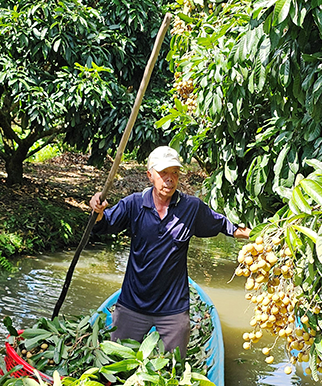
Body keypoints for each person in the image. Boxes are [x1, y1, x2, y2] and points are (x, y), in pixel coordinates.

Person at [89, 146, 250, 356]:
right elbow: (103, 225)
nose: (169, 179)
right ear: (150, 175)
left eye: (174, 172)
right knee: (116, 364)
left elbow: (224, 225)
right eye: (163, 173)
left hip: (173, 309)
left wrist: (259, 234)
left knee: (173, 371)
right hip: (132, 305)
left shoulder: (191, 207)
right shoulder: (134, 204)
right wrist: (97, 211)